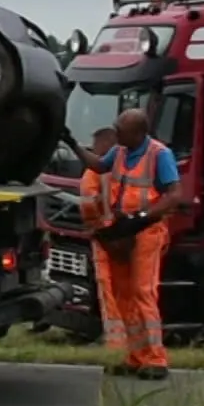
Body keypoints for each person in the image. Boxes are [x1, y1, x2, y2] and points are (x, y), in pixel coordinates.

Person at [64, 109, 184, 379]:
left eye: (121, 130)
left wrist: (142, 217)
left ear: (139, 132)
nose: (116, 134)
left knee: (143, 291)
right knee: (123, 294)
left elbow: (175, 194)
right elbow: (98, 166)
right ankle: (135, 356)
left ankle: (156, 359)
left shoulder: (159, 154)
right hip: (121, 232)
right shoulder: (119, 152)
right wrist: (73, 144)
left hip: (145, 231)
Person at [76, 127, 130, 358]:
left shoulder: (95, 171)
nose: (92, 148)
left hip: (105, 236)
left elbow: (88, 203)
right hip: (133, 239)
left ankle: (116, 343)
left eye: (95, 143)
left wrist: (92, 225)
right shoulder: (134, 163)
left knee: (108, 289)